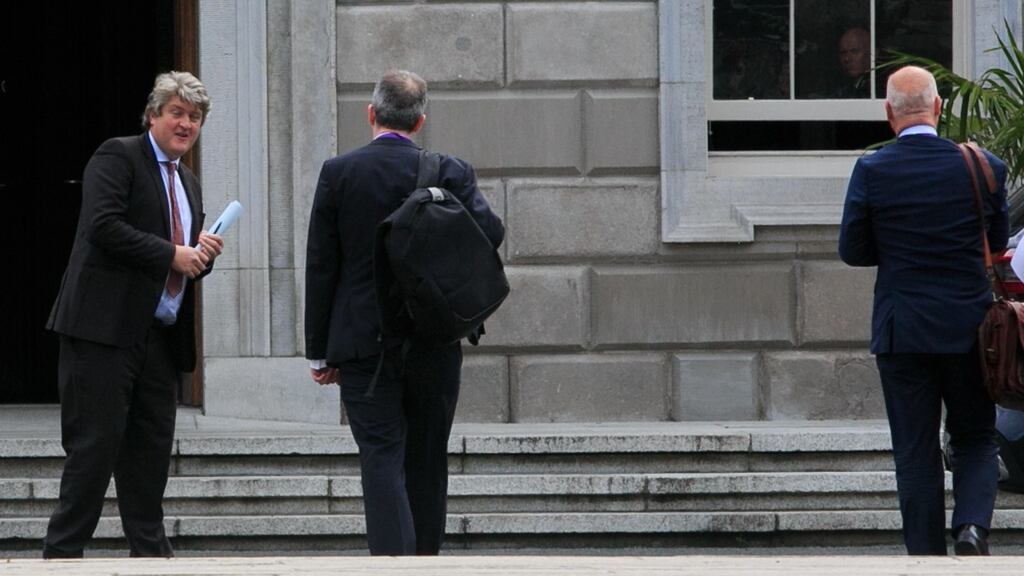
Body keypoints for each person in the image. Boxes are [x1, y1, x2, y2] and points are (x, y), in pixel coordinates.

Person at [304, 70, 504, 555]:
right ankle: (425, 563)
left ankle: (392, 565)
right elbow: (490, 234)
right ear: (420, 121)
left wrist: (319, 353)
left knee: (380, 457)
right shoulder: (450, 171)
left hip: (361, 345)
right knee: (428, 459)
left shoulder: (339, 172)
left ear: (371, 114)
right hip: (434, 341)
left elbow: (321, 266)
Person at [42, 71, 223, 558]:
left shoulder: (189, 181)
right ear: (153, 116)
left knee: (150, 455)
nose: (186, 124)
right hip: (102, 333)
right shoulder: (117, 156)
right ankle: (61, 556)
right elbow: (103, 226)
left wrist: (199, 258)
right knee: (94, 450)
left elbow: (180, 265)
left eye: (195, 117)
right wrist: (173, 254)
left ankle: (151, 556)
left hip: (159, 339)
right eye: (177, 113)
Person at [839, 66, 1009, 555]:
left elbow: (852, 249)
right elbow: (995, 245)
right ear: (937, 109)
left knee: (915, 452)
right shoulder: (985, 167)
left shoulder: (872, 170)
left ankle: (924, 556)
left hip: (903, 330)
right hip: (971, 330)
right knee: (976, 436)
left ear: (888, 114)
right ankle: (973, 527)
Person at [833, 27, 871, 98]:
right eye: (843, 53)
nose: (847, 58)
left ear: (872, 53)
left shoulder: (881, 88)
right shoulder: (839, 91)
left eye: (854, 51)